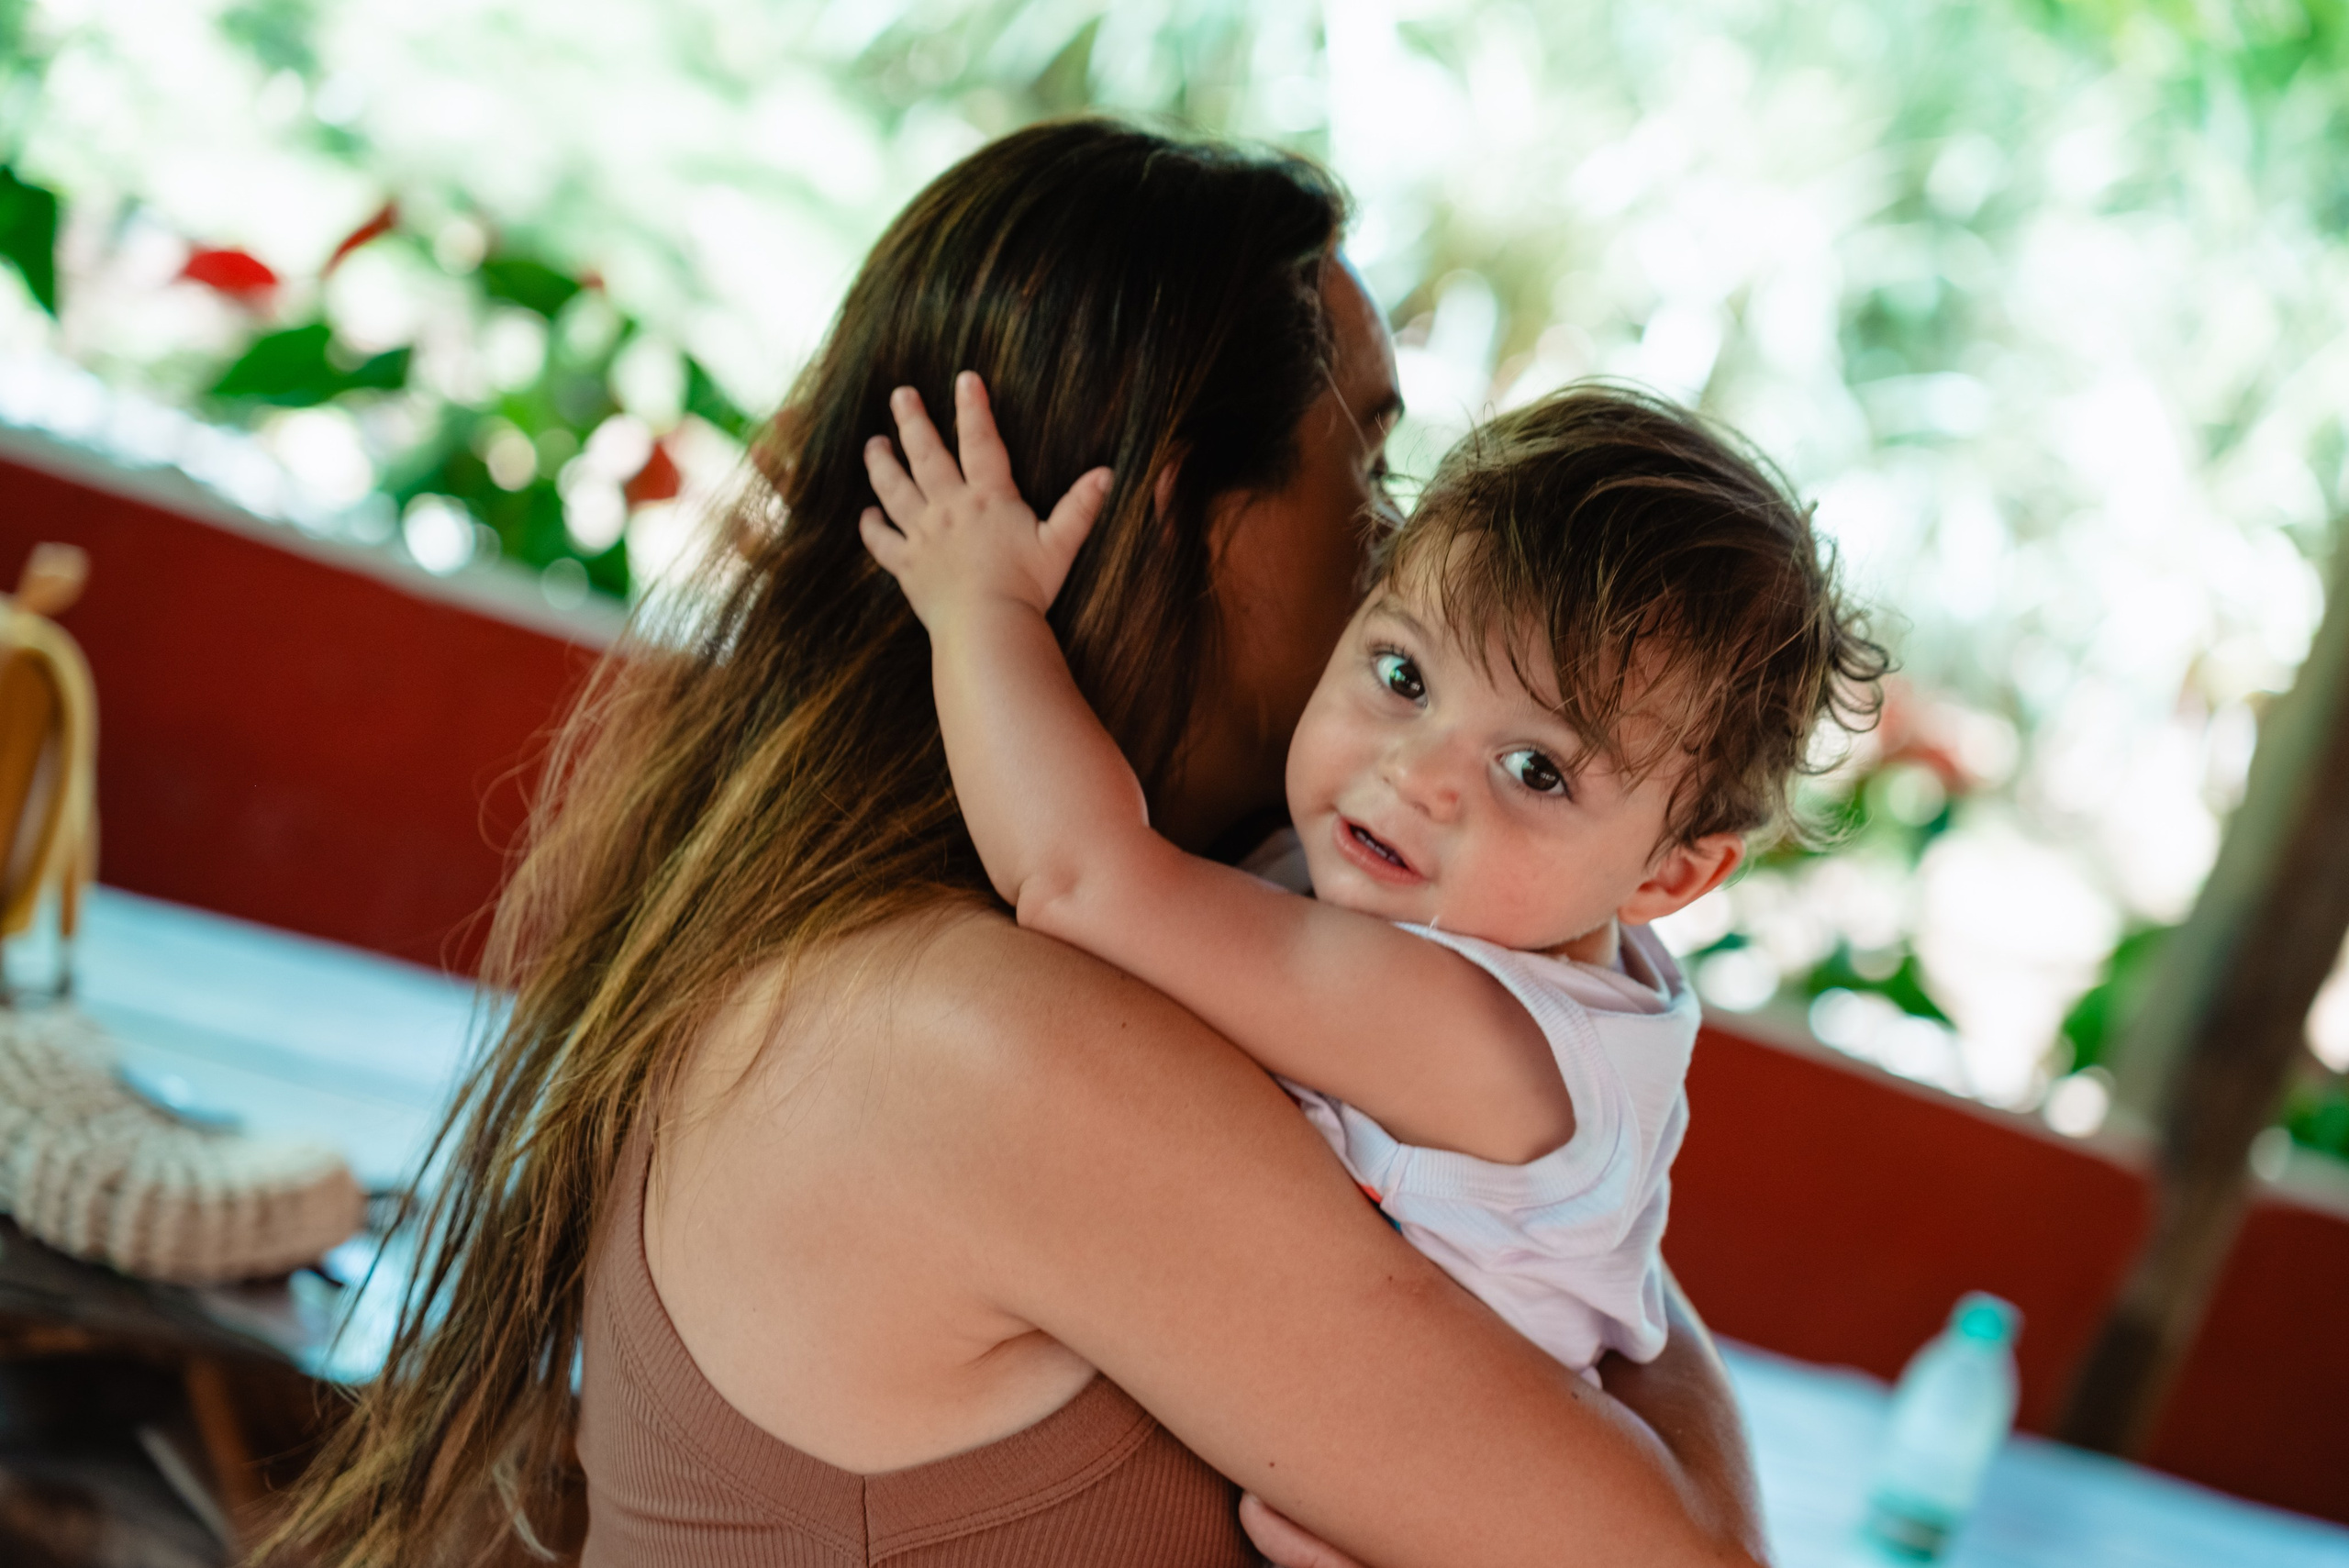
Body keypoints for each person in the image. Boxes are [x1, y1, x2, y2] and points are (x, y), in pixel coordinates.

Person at [267, 119, 1771, 1568]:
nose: (1411, 563)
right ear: (1187, 513)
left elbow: (1551, 1208)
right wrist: (1666, 1427)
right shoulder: (984, 1040)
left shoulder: (940, 935)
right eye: (1370, 479)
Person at [860, 376, 1887, 1400]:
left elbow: (1078, 879)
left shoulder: (1477, 1029)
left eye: (1536, 770)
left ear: (1669, 872)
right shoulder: (1489, 912)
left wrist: (982, 604)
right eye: (1404, 676)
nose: (1416, 774)